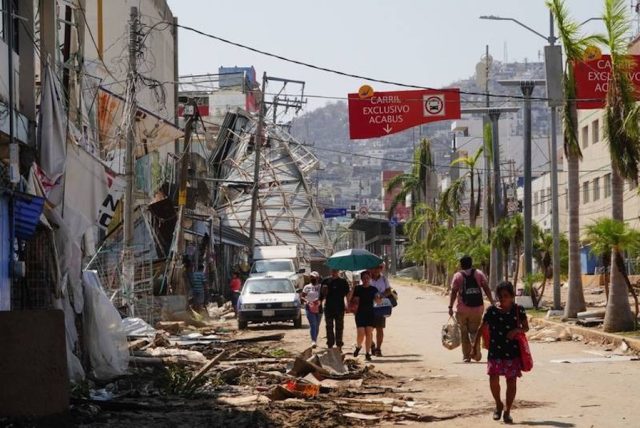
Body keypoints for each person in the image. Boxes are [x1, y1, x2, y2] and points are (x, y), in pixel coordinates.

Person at [473, 281, 529, 424]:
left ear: (511, 296)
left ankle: (508, 411)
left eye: (506, 295)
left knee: (511, 382)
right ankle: (498, 404)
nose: (502, 298)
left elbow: (525, 327)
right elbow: (482, 327)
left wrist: (516, 330)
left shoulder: (519, 310)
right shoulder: (491, 311)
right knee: (493, 379)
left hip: (512, 352)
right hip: (495, 351)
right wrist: (475, 347)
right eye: (500, 296)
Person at [448, 255, 495, 362]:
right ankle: (476, 353)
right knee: (475, 332)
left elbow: (454, 292)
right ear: (471, 263)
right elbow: (486, 287)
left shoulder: (458, 276)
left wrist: (450, 306)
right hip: (477, 308)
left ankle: (466, 356)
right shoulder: (479, 273)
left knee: (464, 333)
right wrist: (492, 301)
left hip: (462, 310)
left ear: (461, 264)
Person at [348, 271, 381, 361]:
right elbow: (349, 298)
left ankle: (367, 353)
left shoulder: (373, 289)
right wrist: (353, 287)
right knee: (361, 333)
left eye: (367, 278)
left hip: (370, 313)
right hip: (360, 314)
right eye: (364, 278)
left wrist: (378, 298)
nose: (366, 280)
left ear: (370, 279)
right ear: (361, 279)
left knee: (369, 333)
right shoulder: (358, 288)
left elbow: (378, 302)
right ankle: (358, 347)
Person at [321, 269, 350, 351]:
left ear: (338, 271)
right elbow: (321, 295)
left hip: (339, 308)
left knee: (339, 327)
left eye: (335, 271)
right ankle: (330, 345)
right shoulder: (325, 281)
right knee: (329, 327)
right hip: (328, 308)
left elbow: (347, 295)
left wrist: (348, 305)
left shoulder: (343, 282)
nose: (334, 272)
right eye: (332, 270)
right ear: (330, 271)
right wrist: (323, 293)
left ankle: (339, 346)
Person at [369, 263, 391, 357]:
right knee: (368, 329)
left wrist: (381, 296)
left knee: (380, 328)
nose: (376, 270)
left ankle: (378, 349)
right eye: (374, 268)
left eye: (379, 268)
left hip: (381, 306)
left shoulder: (384, 279)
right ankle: (371, 344)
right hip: (369, 307)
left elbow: (389, 290)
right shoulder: (367, 278)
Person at [301, 271, 323, 348]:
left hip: (319, 308)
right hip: (309, 308)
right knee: (313, 324)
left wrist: (319, 300)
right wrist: (307, 301)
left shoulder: (321, 287)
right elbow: (302, 296)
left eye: (314, 277)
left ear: (317, 278)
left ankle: (315, 339)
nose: (312, 279)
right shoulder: (307, 287)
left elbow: (324, 295)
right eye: (311, 277)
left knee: (317, 325)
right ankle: (313, 341)